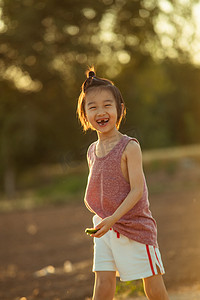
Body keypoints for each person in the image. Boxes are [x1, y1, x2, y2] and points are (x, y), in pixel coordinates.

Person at [77, 67, 169, 300]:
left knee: (153, 286)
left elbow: (137, 190)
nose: (101, 111)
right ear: (84, 114)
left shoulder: (129, 147)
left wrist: (114, 219)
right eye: (93, 106)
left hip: (134, 226)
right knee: (103, 284)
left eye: (107, 105)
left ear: (120, 109)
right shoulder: (91, 151)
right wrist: (104, 220)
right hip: (105, 226)